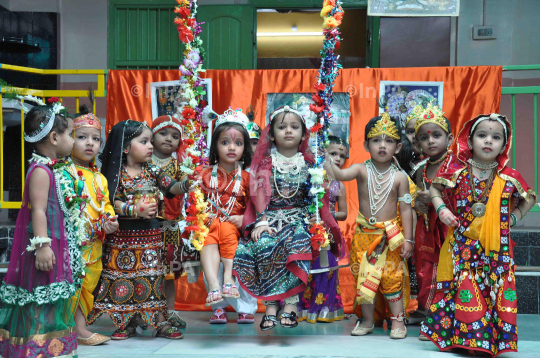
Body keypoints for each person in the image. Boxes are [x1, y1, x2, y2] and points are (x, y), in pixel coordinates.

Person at [421, 113, 536, 356]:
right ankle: (468, 340)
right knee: (465, 285)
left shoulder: (508, 176)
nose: (488, 141)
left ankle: (489, 340)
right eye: (482, 135)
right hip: (463, 243)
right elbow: (435, 188)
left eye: (496, 137)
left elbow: (529, 198)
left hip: (497, 248)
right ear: (469, 141)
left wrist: (512, 218)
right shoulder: (456, 171)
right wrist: (441, 209)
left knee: (493, 288)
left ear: (504, 145)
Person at [233, 105, 343, 331]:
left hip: (299, 221)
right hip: (269, 220)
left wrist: (315, 220)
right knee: (264, 244)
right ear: (272, 134)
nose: (289, 131)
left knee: (299, 242)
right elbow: (257, 194)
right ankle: (271, 307)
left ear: (304, 133)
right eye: (282, 127)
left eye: (295, 127)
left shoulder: (311, 164)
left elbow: (316, 199)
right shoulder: (265, 163)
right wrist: (261, 222)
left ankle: (291, 306)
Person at [88, 120, 193, 340]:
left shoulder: (153, 170)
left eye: (149, 142)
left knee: (152, 278)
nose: (150, 146)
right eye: (143, 141)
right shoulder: (115, 174)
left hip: (151, 237)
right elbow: (111, 202)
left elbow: (171, 187)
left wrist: (186, 184)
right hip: (121, 239)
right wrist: (134, 209)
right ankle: (126, 323)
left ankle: (160, 322)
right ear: (126, 148)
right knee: (123, 279)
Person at [0, 100, 84, 357]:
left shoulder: (52, 167)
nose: (72, 140)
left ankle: (50, 346)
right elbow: (38, 210)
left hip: (56, 243)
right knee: (40, 296)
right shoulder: (40, 171)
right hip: (45, 246)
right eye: (70, 134)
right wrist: (43, 246)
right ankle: (34, 348)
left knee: (51, 297)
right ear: (55, 138)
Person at [325, 113, 413, 339]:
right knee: (364, 279)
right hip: (364, 236)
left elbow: (405, 210)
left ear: (398, 146)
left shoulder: (400, 177)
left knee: (392, 279)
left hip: (390, 237)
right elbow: (338, 174)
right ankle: (366, 319)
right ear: (366, 145)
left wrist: (409, 240)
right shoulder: (360, 169)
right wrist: (324, 155)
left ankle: (397, 321)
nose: (382, 145)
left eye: (389, 141)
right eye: (376, 140)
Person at [200, 108, 258, 324]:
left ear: (245, 147)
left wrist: (245, 219)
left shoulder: (248, 178)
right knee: (213, 228)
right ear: (215, 145)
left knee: (222, 227)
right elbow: (194, 204)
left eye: (238, 143)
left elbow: (258, 209)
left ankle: (241, 305)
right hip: (209, 229)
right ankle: (218, 301)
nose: (231, 147)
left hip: (240, 230)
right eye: (225, 142)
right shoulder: (203, 174)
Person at [67, 108, 119, 346]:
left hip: (95, 241)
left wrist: (110, 219)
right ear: (69, 138)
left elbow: (105, 203)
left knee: (89, 282)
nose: (90, 143)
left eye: (95, 139)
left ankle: (76, 327)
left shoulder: (100, 178)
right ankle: (78, 329)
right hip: (71, 241)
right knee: (75, 281)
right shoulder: (65, 171)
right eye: (82, 137)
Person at [413, 104, 461, 330]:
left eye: (436, 135)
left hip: (448, 227)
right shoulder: (420, 168)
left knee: (448, 272)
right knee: (425, 272)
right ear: (418, 143)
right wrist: (419, 202)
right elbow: (416, 202)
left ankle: (443, 320)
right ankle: (428, 314)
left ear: (449, 137)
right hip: (426, 228)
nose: (430, 141)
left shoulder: (458, 166)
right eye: (424, 137)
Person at [298, 135, 348, 323]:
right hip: (308, 233)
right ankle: (304, 307)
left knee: (326, 269)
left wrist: (328, 217)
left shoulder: (338, 185)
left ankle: (326, 305)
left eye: (341, 156)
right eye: (331, 154)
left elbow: (344, 213)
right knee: (308, 268)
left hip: (329, 234)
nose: (336, 159)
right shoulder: (308, 180)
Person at [151, 114, 191, 329]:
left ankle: (171, 311)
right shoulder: (143, 162)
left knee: (169, 272)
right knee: (147, 269)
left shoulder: (178, 166)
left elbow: (185, 183)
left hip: (171, 225)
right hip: (146, 226)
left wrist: (190, 176)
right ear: (151, 136)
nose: (169, 139)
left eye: (175, 136)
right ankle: (143, 312)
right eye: (163, 133)